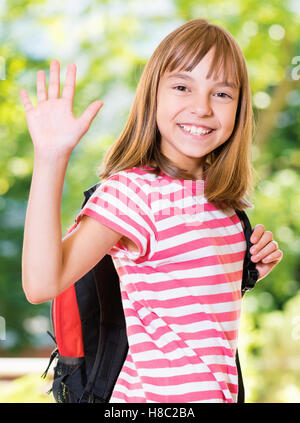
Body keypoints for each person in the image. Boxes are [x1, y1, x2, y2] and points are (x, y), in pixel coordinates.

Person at [20, 18, 283, 403]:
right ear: (152, 96)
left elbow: (189, 311)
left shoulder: (223, 203)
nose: (202, 107)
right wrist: (50, 157)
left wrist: (247, 267)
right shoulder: (132, 193)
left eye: (222, 94)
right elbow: (41, 283)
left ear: (240, 107)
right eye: (182, 87)